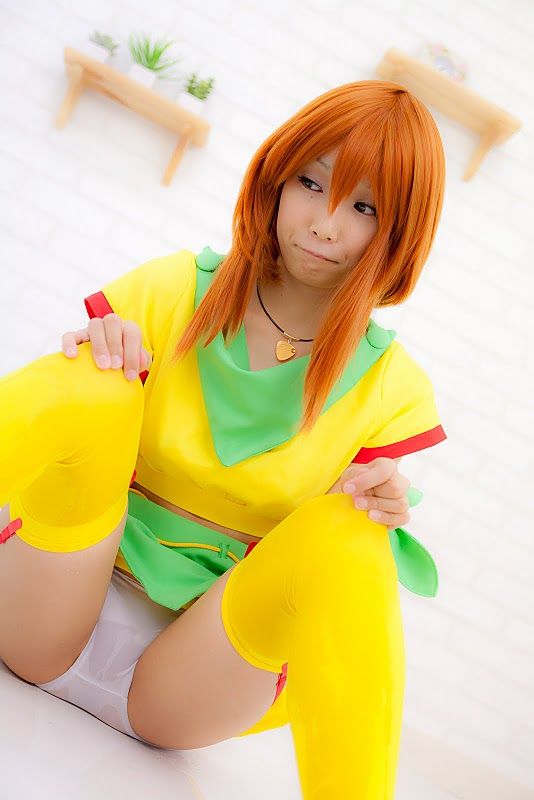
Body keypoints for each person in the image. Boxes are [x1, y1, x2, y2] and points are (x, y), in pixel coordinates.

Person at [0, 80, 447, 798]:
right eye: (311, 184)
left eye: (364, 208)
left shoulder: (393, 390)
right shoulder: (177, 287)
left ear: (400, 231)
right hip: (52, 598)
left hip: (194, 678)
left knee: (353, 534)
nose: (325, 224)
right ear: (277, 176)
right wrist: (102, 351)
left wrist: (376, 507)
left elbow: (332, 571)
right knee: (93, 378)